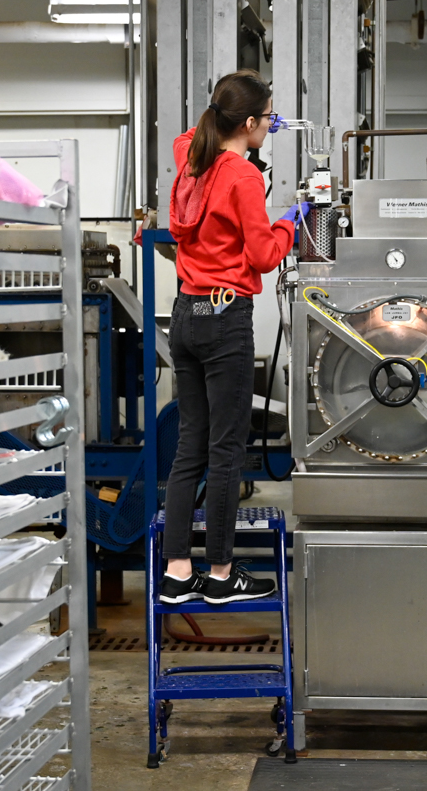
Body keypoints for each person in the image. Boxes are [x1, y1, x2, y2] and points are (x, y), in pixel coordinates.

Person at [159, 69, 305, 605]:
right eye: (267, 117)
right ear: (247, 122)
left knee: (188, 450)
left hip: (186, 316)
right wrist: (294, 219)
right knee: (226, 451)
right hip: (225, 322)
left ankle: (178, 573)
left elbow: (191, 137)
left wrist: (245, 142)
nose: (272, 123)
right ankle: (221, 575)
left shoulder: (188, 156)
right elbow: (265, 255)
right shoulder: (242, 178)